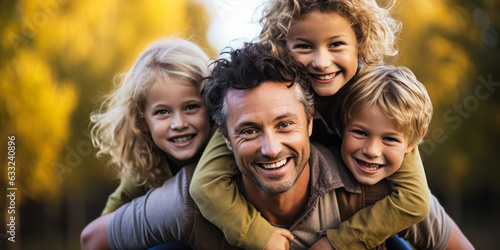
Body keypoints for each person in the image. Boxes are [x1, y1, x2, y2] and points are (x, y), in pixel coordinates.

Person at [80, 42, 472, 250]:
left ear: (312, 120)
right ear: (224, 135)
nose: (271, 148)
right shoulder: (185, 203)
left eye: (285, 124)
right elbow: (92, 237)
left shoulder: (373, 185)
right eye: (249, 130)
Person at [189, 1, 429, 249]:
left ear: (360, 43)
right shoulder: (259, 102)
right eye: (304, 46)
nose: (321, 62)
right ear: (281, 48)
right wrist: (257, 234)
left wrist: (340, 242)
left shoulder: (375, 99)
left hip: (354, 214)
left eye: (336, 44)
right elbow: (206, 184)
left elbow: (414, 199)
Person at [89, 37, 212, 215]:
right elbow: (105, 221)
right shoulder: (144, 168)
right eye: (163, 112)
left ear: (210, 106)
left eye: (191, 107)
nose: (179, 124)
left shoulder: (225, 148)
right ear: (142, 121)